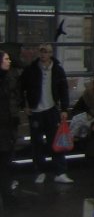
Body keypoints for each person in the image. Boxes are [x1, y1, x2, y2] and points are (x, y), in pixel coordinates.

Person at [18, 44, 73, 184]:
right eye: (42, 51)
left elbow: (63, 90)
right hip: (36, 111)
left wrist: (64, 109)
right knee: (37, 143)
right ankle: (39, 171)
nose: (44, 54)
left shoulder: (57, 70)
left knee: (55, 142)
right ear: (38, 52)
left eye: (47, 52)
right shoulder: (31, 70)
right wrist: (24, 105)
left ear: (51, 53)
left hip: (51, 110)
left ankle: (60, 172)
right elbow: (20, 87)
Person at [0, 51, 20, 210]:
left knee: (6, 165)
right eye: (6, 59)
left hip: (6, 131)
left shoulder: (7, 79)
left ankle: (7, 197)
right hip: (3, 131)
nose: (9, 61)